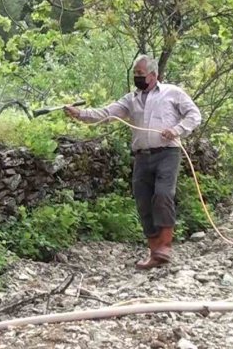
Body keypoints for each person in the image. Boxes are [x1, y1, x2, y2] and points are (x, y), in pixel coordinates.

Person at [64, 55, 202, 269]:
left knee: (164, 194)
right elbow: (107, 113)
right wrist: (80, 114)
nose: (136, 77)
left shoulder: (173, 93)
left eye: (140, 74)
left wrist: (176, 130)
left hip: (168, 152)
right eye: (135, 74)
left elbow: (194, 115)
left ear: (153, 75)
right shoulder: (131, 99)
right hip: (141, 156)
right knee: (143, 201)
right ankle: (154, 252)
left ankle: (165, 246)